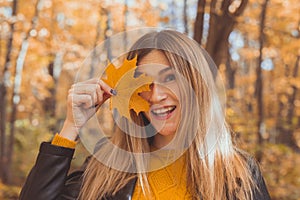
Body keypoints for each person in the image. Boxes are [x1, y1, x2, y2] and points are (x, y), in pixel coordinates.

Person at [19, 30, 271, 200]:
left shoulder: (238, 174)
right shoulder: (106, 169)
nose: (156, 95)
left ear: (197, 86)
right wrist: (70, 129)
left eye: (170, 78)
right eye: (144, 83)